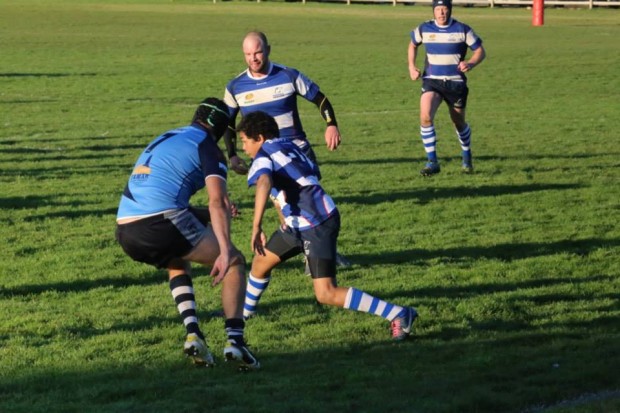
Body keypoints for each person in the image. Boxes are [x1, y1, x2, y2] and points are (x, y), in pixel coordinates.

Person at [236, 111, 418, 341]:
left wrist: (256, 226)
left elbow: (264, 182)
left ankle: (399, 313)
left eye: (244, 141)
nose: (243, 148)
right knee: (261, 263)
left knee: (326, 293)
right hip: (300, 221)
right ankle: (242, 317)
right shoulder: (288, 145)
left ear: (259, 137)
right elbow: (303, 177)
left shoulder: (263, 156)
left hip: (315, 223)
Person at [115, 97, 259, 370]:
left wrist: (204, 215)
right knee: (235, 262)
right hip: (161, 223)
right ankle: (235, 341)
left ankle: (194, 334)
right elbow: (217, 201)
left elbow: (168, 197)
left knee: (177, 259)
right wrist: (225, 250)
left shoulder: (169, 135)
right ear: (219, 128)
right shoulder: (209, 148)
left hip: (125, 228)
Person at [222, 30, 351, 268]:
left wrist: (331, 125)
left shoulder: (288, 75)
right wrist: (232, 154)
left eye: (258, 52)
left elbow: (320, 99)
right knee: (284, 205)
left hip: (298, 154)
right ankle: (310, 253)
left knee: (313, 204)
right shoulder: (235, 86)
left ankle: (325, 252)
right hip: (269, 160)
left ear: (268, 49)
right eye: (248, 54)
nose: (254, 58)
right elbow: (228, 123)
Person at [408, 0, 486, 176]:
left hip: (455, 83)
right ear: (433, 11)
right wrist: (411, 67)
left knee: (458, 123)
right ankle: (432, 162)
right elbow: (412, 44)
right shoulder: (424, 28)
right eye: (438, 9)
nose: (441, 13)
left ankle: (466, 154)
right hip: (432, 81)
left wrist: (471, 63)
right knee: (425, 116)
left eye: (444, 9)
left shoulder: (462, 29)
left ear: (450, 10)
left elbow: (480, 51)